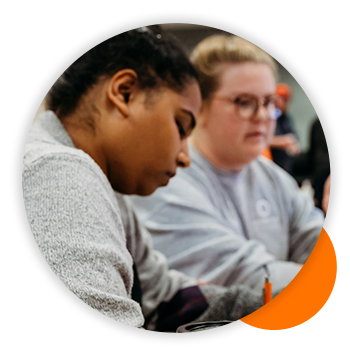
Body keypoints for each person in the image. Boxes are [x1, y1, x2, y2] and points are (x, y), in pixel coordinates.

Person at [22, 23, 309, 334]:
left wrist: (261, 310)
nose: (185, 156)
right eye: (181, 126)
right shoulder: (58, 173)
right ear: (124, 93)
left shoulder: (104, 183)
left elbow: (162, 297)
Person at [131, 34, 325, 300]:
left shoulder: (274, 178)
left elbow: (320, 247)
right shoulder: (165, 181)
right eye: (243, 102)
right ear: (198, 105)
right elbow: (244, 276)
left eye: (269, 102)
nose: (262, 117)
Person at [269, 83, 301, 175]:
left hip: (286, 167)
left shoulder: (286, 117)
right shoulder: (269, 116)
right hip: (272, 164)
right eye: (281, 98)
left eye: (286, 99)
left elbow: (293, 135)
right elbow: (265, 139)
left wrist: (294, 144)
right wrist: (284, 141)